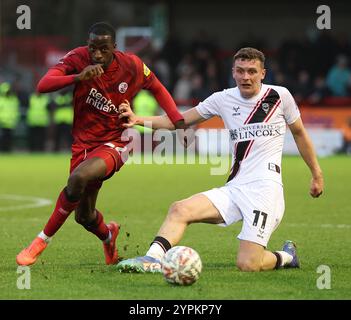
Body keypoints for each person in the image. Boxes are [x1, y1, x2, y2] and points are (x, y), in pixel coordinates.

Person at [116, 47, 324, 273]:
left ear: (263, 73)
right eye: (241, 71)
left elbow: (300, 134)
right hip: (235, 187)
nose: (246, 77)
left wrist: (317, 174)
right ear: (233, 72)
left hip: (266, 190)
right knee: (179, 209)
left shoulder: (280, 96)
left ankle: (286, 257)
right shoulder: (222, 99)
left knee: (248, 264)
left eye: (252, 71)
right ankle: (152, 259)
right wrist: (137, 119)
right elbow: (179, 120)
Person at [16, 22, 185, 266]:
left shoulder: (132, 65)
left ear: (114, 48)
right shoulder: (77, 58)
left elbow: (157, 87)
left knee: (77, 178)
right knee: (84, 216)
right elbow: (43, 85)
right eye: (93, 48)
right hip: (83, 144)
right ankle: (108, 235)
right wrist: (77, 77)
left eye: (103, 49)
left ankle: (40, 241)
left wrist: (178, 121)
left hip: (117, 141)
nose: (97, 54)